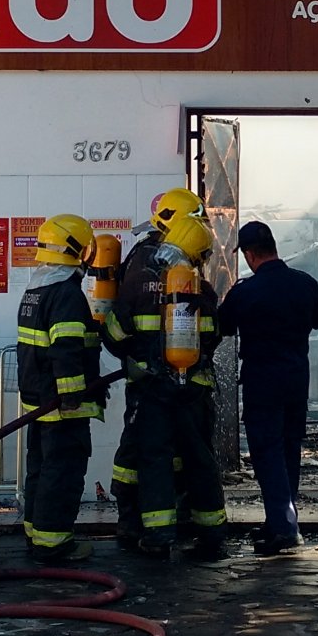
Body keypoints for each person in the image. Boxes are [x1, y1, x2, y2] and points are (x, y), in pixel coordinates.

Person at [108, 207, 229, 560]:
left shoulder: (139, 284)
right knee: (199, 458)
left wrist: (134, 357)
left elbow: (114, 332)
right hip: (193, 389)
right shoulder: (199, 288)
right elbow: (213, 337)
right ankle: (211, 532)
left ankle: (158, 537)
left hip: (151, 390)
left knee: (154, 458)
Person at [213, 219, 318, 556]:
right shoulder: (304, 283)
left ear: (249, 255)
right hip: (297, 378)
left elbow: (221, 326)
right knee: (289, 448)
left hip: (263, 380)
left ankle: (283, 528)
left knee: (267, 452)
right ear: (275, 248)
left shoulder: (245, 291)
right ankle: (281, 519)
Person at [15, 215, 106, 562]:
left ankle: (37, 534)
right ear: (79, 250)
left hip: (38, 401)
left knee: (41, 468)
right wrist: (72, 396)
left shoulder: (34, 291)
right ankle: (54, 544)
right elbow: (66, 349)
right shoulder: (66, 293)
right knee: (63, 472)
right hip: (62, 405)